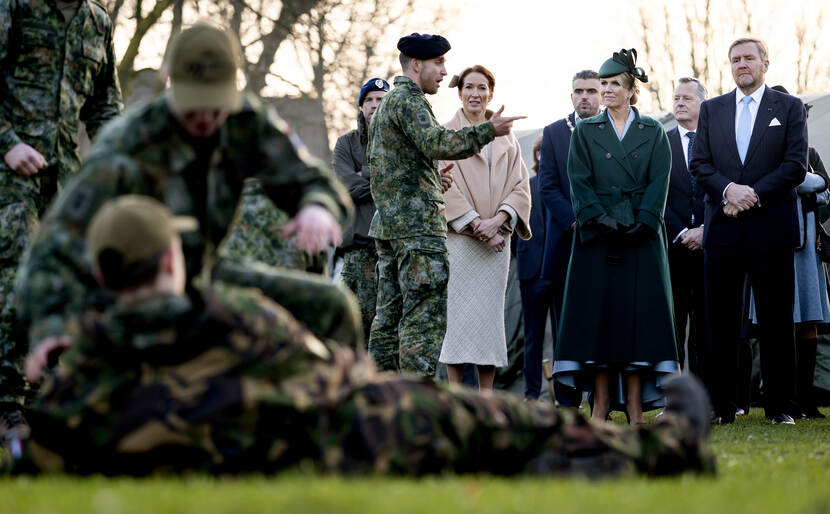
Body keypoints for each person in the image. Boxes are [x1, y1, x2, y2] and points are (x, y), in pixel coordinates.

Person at [5, 195, 715, 477]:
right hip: (351, 431)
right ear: (170, 259)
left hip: (297, 449)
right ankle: (664, 446)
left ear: (102, 274)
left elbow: (34, 446)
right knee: (489, 415)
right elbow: (323, 365)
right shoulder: (221, 314)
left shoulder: (78, 387)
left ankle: (580, 464)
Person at [16, 22, 361, 386]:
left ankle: (340, 420)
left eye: (216, 107)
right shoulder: (128, 145)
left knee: (332, 306)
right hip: (134, 294)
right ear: (172, 88)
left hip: (204, 277)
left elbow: (314, 180)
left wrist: (317, 207)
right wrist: (51, 327)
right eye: (193, 105)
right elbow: (53, 245)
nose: (205, 118)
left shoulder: (246, 122)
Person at [367, 33, 523, 377]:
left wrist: (434, 181)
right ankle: (418, 408)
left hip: (392, 228)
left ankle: (379, 399)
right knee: (421, 323)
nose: (443, 71)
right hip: (417, 232)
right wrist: (488, 131)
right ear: (417, 64)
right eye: (438, 63)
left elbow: (388, 169)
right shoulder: (409, 101)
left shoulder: (388, 106)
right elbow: (437, 141)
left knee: (388, 321)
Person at [0, 0, 123, 426]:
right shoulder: (15, 6)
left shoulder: (97, 22)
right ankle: (7, 402)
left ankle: (45, 398)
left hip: (63, 180)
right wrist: (7, 143)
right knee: (14, 273)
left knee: (64, 278)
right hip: (8, 174)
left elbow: (105, 107)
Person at [554, 49, 679, 424]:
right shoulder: (586, 131)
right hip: (598, 239)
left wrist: (644, 222)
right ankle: (601, 404)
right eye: (603, 84)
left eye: (613, 84)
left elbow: (660, 181)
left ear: (630, 89)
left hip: (642, 240)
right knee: (599, 324)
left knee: (641, 325)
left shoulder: (653, 131)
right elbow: (578, 180)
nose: (605, 90)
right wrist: (600, 219)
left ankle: (638, 409)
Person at [690, 38, 808, 425]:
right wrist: (728, 190)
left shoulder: (788, 108)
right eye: (735, 59)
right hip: (723, 230)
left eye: (749, 58)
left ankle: (781, 408)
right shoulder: (712, 109)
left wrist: (751, 195)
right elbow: (700, 164)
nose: (742, 64)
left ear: (765, 63)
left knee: (776, 323)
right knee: (720, 325)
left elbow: (794, 166)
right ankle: (722, 408)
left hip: (771, 229)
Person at [437, 65, 531, 391]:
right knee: (459, 320)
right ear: (459, 91)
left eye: (482, 88)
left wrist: (499, 221)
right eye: (469, 87)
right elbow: (445, 186)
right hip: (461, 243)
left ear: (490, 93)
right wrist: (477, 224)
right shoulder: (447, 133)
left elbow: (520, 186)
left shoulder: (507, 138)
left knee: (489, 323)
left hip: (497, 245)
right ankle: (455, 394)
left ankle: (486, 398)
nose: (475, 94)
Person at [747, 85, 829, 420]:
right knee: (776, 323)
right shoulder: (757, 152)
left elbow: (824, 189)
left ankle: (806, 398)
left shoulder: (809, 154)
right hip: (769, 244)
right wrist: (801, 184)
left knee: (808, 321)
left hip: (806, 248)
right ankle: (781, 398)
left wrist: (804, 186)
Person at [528, 70, 602, 405]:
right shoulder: (555, 133)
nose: (584, 96)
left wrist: (601, 221)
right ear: (570, 96)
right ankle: (568, 398)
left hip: (606, 240)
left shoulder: (613, 130)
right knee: (565, 327)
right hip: (566, 244)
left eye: (591, 91)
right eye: (579, 91)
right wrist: (575, 221)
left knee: (603, 322)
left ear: (601, 95)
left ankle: (603, 398)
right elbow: (547, 186)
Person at [333, 78, 390, 341]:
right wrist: (385, 178)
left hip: (394, 247)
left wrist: (364, 172)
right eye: (369, 100)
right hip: (360, 250)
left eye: (381, 99)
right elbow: (349, 188)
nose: (375, 105)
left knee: (392, 331)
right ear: (361, 106)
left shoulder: (401, 143)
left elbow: (407, 182)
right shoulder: (346, 144)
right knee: (357, 328)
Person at [665, 78, 707, 380]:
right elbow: (654, 194)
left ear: (701, 104)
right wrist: (682, 232)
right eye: (676, 98)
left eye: (687, 98)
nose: (680, 102)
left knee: (706, 325)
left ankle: (705, 393)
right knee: (673, 323)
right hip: (673, 248)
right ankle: (675, 392)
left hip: (711, 245)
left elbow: (722, 189)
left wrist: (705, 229)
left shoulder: (717, 140)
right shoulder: (660, 142)